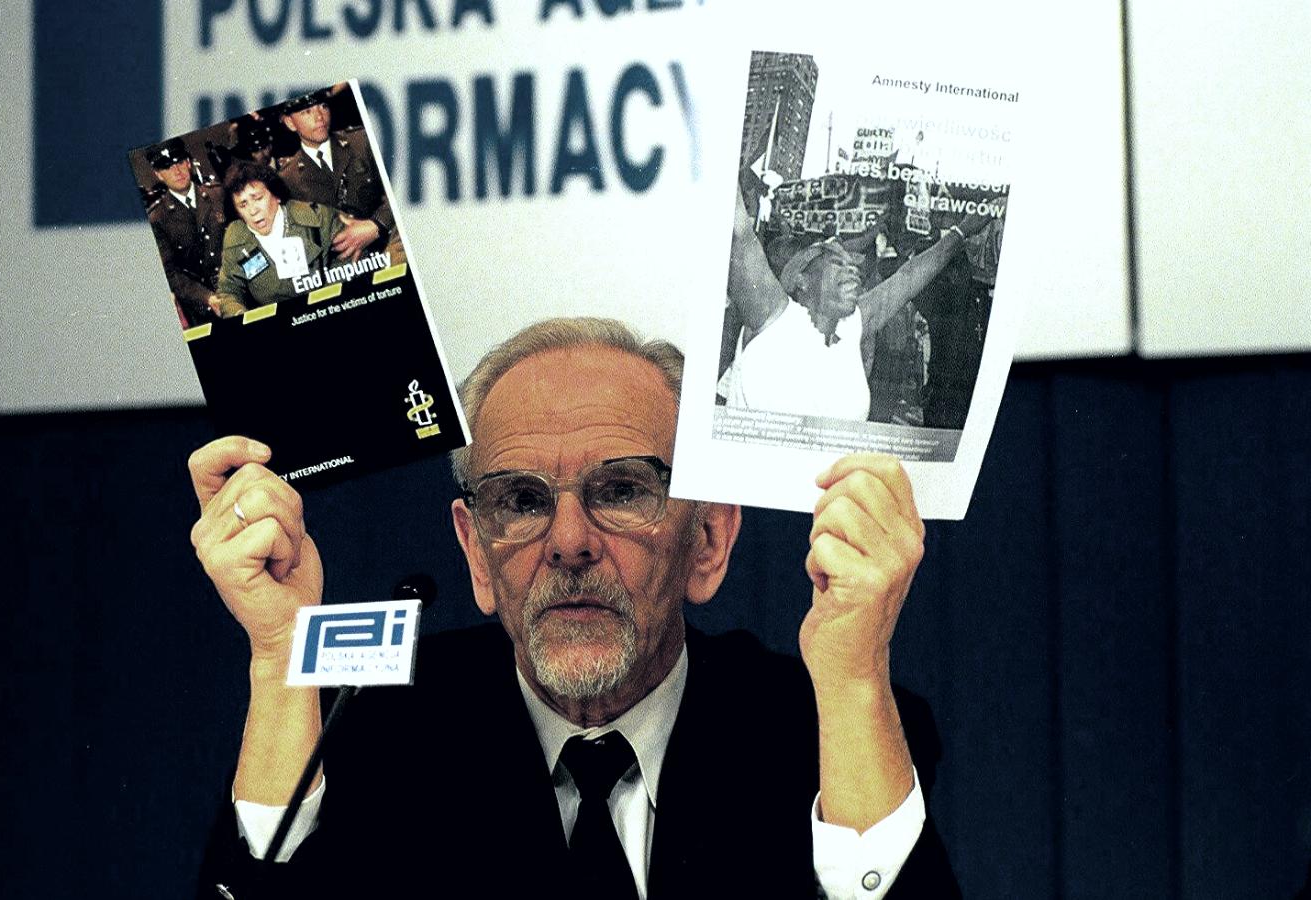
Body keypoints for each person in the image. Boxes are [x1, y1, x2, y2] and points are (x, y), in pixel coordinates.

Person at [190, 318, 959, 898]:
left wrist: (854, 678)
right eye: (521, 501)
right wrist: (279, 656)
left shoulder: (816, 731)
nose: (568, 542)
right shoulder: (370, 733)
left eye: (621, 490)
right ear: (476, 553)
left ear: (708, 538)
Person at [721, 185, 989, 422]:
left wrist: (961, 231)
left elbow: (907, 278)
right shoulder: (774, 318)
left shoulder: (849, 328)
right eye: (838, 263)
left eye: (853, 266)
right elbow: (738, 233)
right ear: (801, 278)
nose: (852, 270)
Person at [211, 162, 376, 316]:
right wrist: (241, 315)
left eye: (258, 198)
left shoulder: (317, 217)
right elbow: (228, 292)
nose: (253, 211)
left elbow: (354, 259)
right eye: (243, 204)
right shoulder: (235, 237)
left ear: (276, 196)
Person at [277, 89, 391, 252]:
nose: (319, 117)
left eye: (323, 106)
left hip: (386, 242)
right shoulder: (288, 178)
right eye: (307, 112)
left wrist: (377, 225)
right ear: (290, 123)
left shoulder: (362, 141)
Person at [144, 138, 228, 328]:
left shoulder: (217, 194)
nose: (177, 171)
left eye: (180, 162)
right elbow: (171, 273)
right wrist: (207, 298)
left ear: (188, 163)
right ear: (158, 174)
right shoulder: (157, 218)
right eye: (167, 167)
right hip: (202, 307)